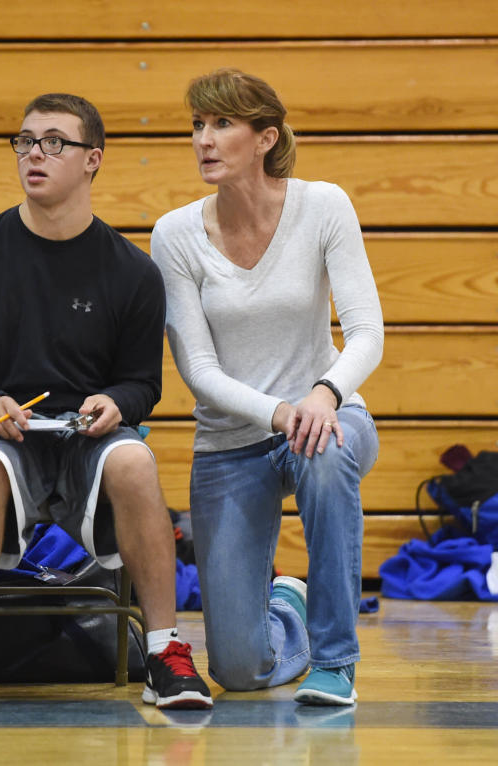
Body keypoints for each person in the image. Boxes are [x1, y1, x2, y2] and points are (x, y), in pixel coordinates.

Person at [0, 93, 212, 714]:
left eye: (55, 142)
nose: (35, 153)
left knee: (136, 461)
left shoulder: (134, 273)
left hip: (85, 435)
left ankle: (165, 652)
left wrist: (115, 400)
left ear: (93, 160)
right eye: (26, 140)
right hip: (1, 431)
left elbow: (142, 383)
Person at [151, 68, 383, 706]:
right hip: (232, 442)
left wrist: (325, 394)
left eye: (222, 123)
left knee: (326, 450)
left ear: (264, 138)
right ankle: (288, 605)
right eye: (197, 125)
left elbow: (366, 330)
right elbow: (198, 371)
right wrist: (280, 412)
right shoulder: (174, 235)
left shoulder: (324, 204)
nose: (204, 138)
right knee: (239, 669)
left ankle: (336, 661)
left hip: (328, 417)